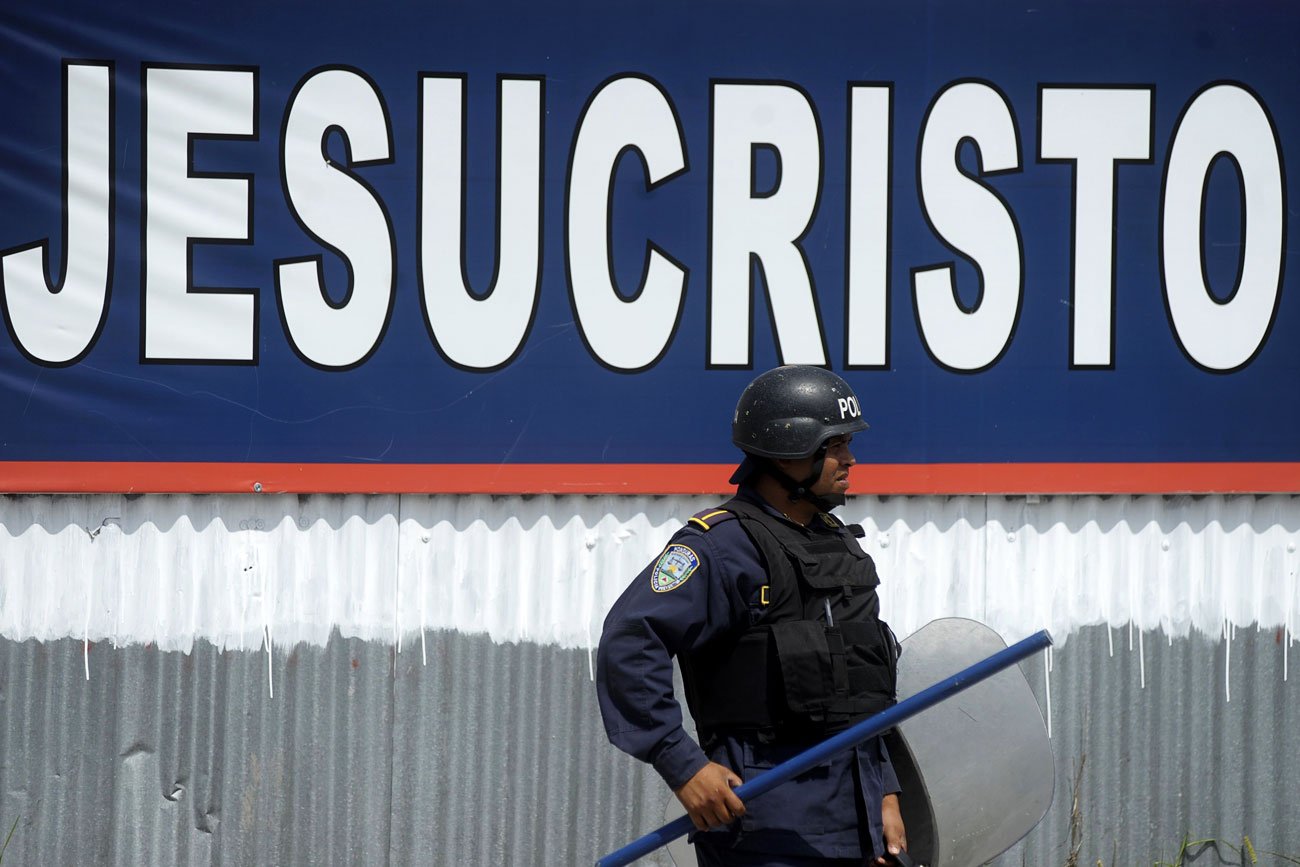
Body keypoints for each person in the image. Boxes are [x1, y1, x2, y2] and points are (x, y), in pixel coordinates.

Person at [597, 365, 908, 867]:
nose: (850, 458)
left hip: (858, 831)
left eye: (848, 443)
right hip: (766, 833)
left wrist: (885, 795)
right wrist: (681, 764)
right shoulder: (723, 546)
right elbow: (630, 641)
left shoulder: (841, 547)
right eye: (835, 445)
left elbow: (860, 697)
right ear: (787, 452)